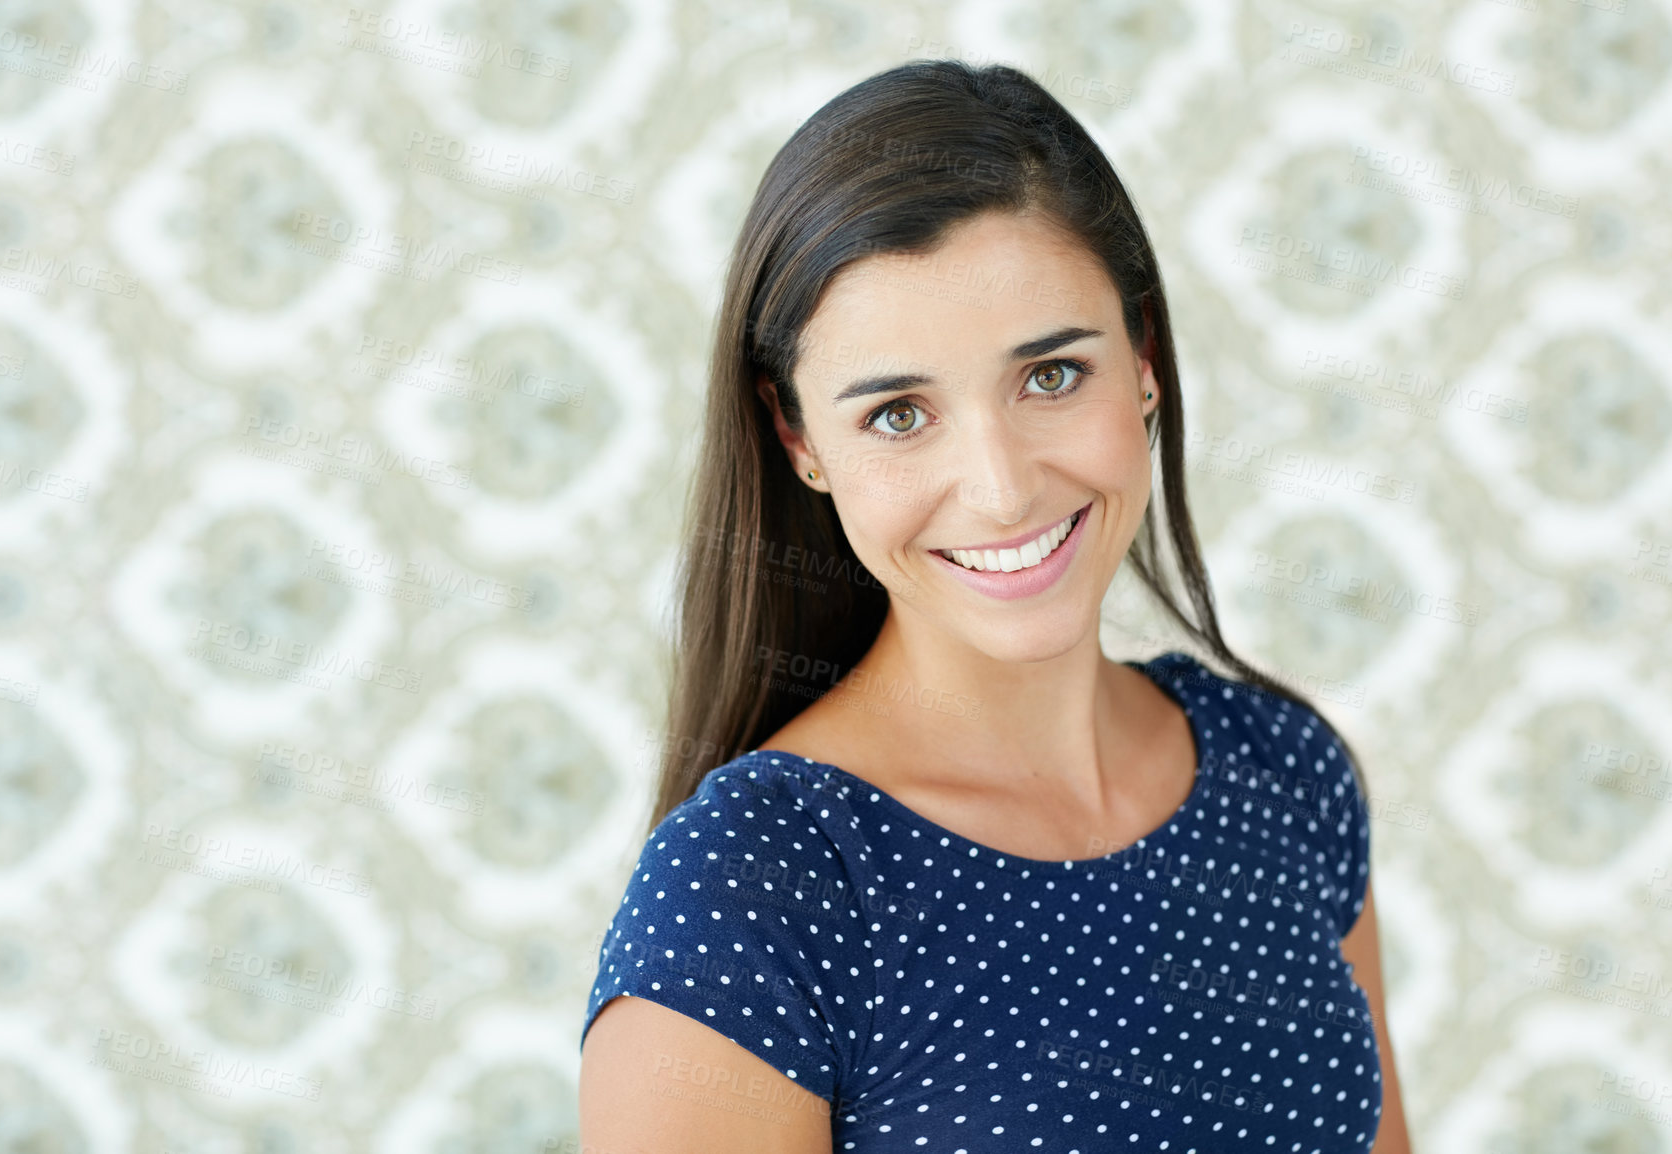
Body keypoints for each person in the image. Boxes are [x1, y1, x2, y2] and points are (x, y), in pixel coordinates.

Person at [578, 59, 1412, 1153]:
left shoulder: (1283, 772)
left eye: (1051, 377)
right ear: (799, 440)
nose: (1002, 484)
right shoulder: (751, 885)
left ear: (1143, 359)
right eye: (896, 413)